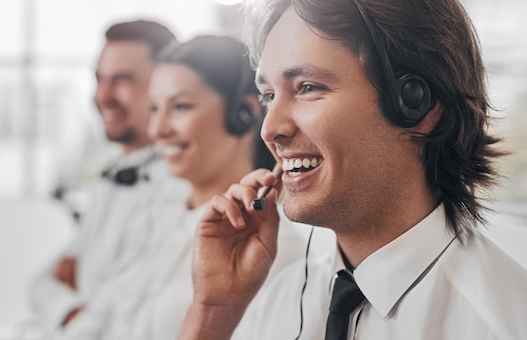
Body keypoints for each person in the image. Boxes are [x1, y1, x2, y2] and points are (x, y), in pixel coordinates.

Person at [178, 0, 527, 339]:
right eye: (269, 95)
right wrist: (212, 310)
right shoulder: (271, 296)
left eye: (307, 87)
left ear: (416, 104)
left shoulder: (501, 323)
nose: (270, 129)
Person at [56, 35, 312, 340]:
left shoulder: (266, 247)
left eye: (180, 107)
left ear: (244, 114)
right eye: (153, 108)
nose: (158, 129)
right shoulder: (153, 216)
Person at [28, 19, 189, 337]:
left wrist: (69, 309)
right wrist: (71, 310)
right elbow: (40, 284)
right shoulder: (110, 174)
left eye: (123, 80)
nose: (103, 96)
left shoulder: (183, 187)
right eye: (99, 79)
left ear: (167, 86)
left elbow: (109, 329)